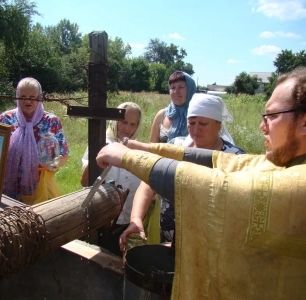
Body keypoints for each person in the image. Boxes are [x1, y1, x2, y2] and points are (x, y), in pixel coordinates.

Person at [95, 66, 306, 299]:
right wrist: (145, 148)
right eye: (191, 123)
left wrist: (127, 157)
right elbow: (218, 160)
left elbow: (214, 185)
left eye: (273, 116)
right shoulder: (289, 163)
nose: (262, 126)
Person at [154, 93, 245, 243]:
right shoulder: (175, 146)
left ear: (219, 125)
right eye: (191, 123)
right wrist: (136, 218)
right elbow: (150, 179)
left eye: (203, 124)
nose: (196, 130)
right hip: (168, 241)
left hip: (209, 244)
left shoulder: (234, 158)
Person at [0, 77, 69, 204]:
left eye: (32, 97)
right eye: (22, 97)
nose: (27, 101)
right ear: (16, 97)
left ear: (40, 98)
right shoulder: (6, 118)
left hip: (40, 190)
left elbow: (64, 154)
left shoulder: (51, 121)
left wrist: (54, 164)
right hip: (5, 191)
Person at [80, 102, 142, 255]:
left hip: (126, 222)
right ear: (114, 121)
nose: (127, 128)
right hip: (99, 219)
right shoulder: (101, 144)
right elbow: (84, 181)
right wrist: (100, 156)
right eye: (124, 122)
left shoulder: (139, 150)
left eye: (133, 124)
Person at [143, 71, 197, 244]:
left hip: (190, 179)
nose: (176, 91)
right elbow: (152, 149)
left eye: (182, 87)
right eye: (172, 87)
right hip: (162, 178)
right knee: (161, 225)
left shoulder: (198, 115)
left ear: (190, 89)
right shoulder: (162, 115)